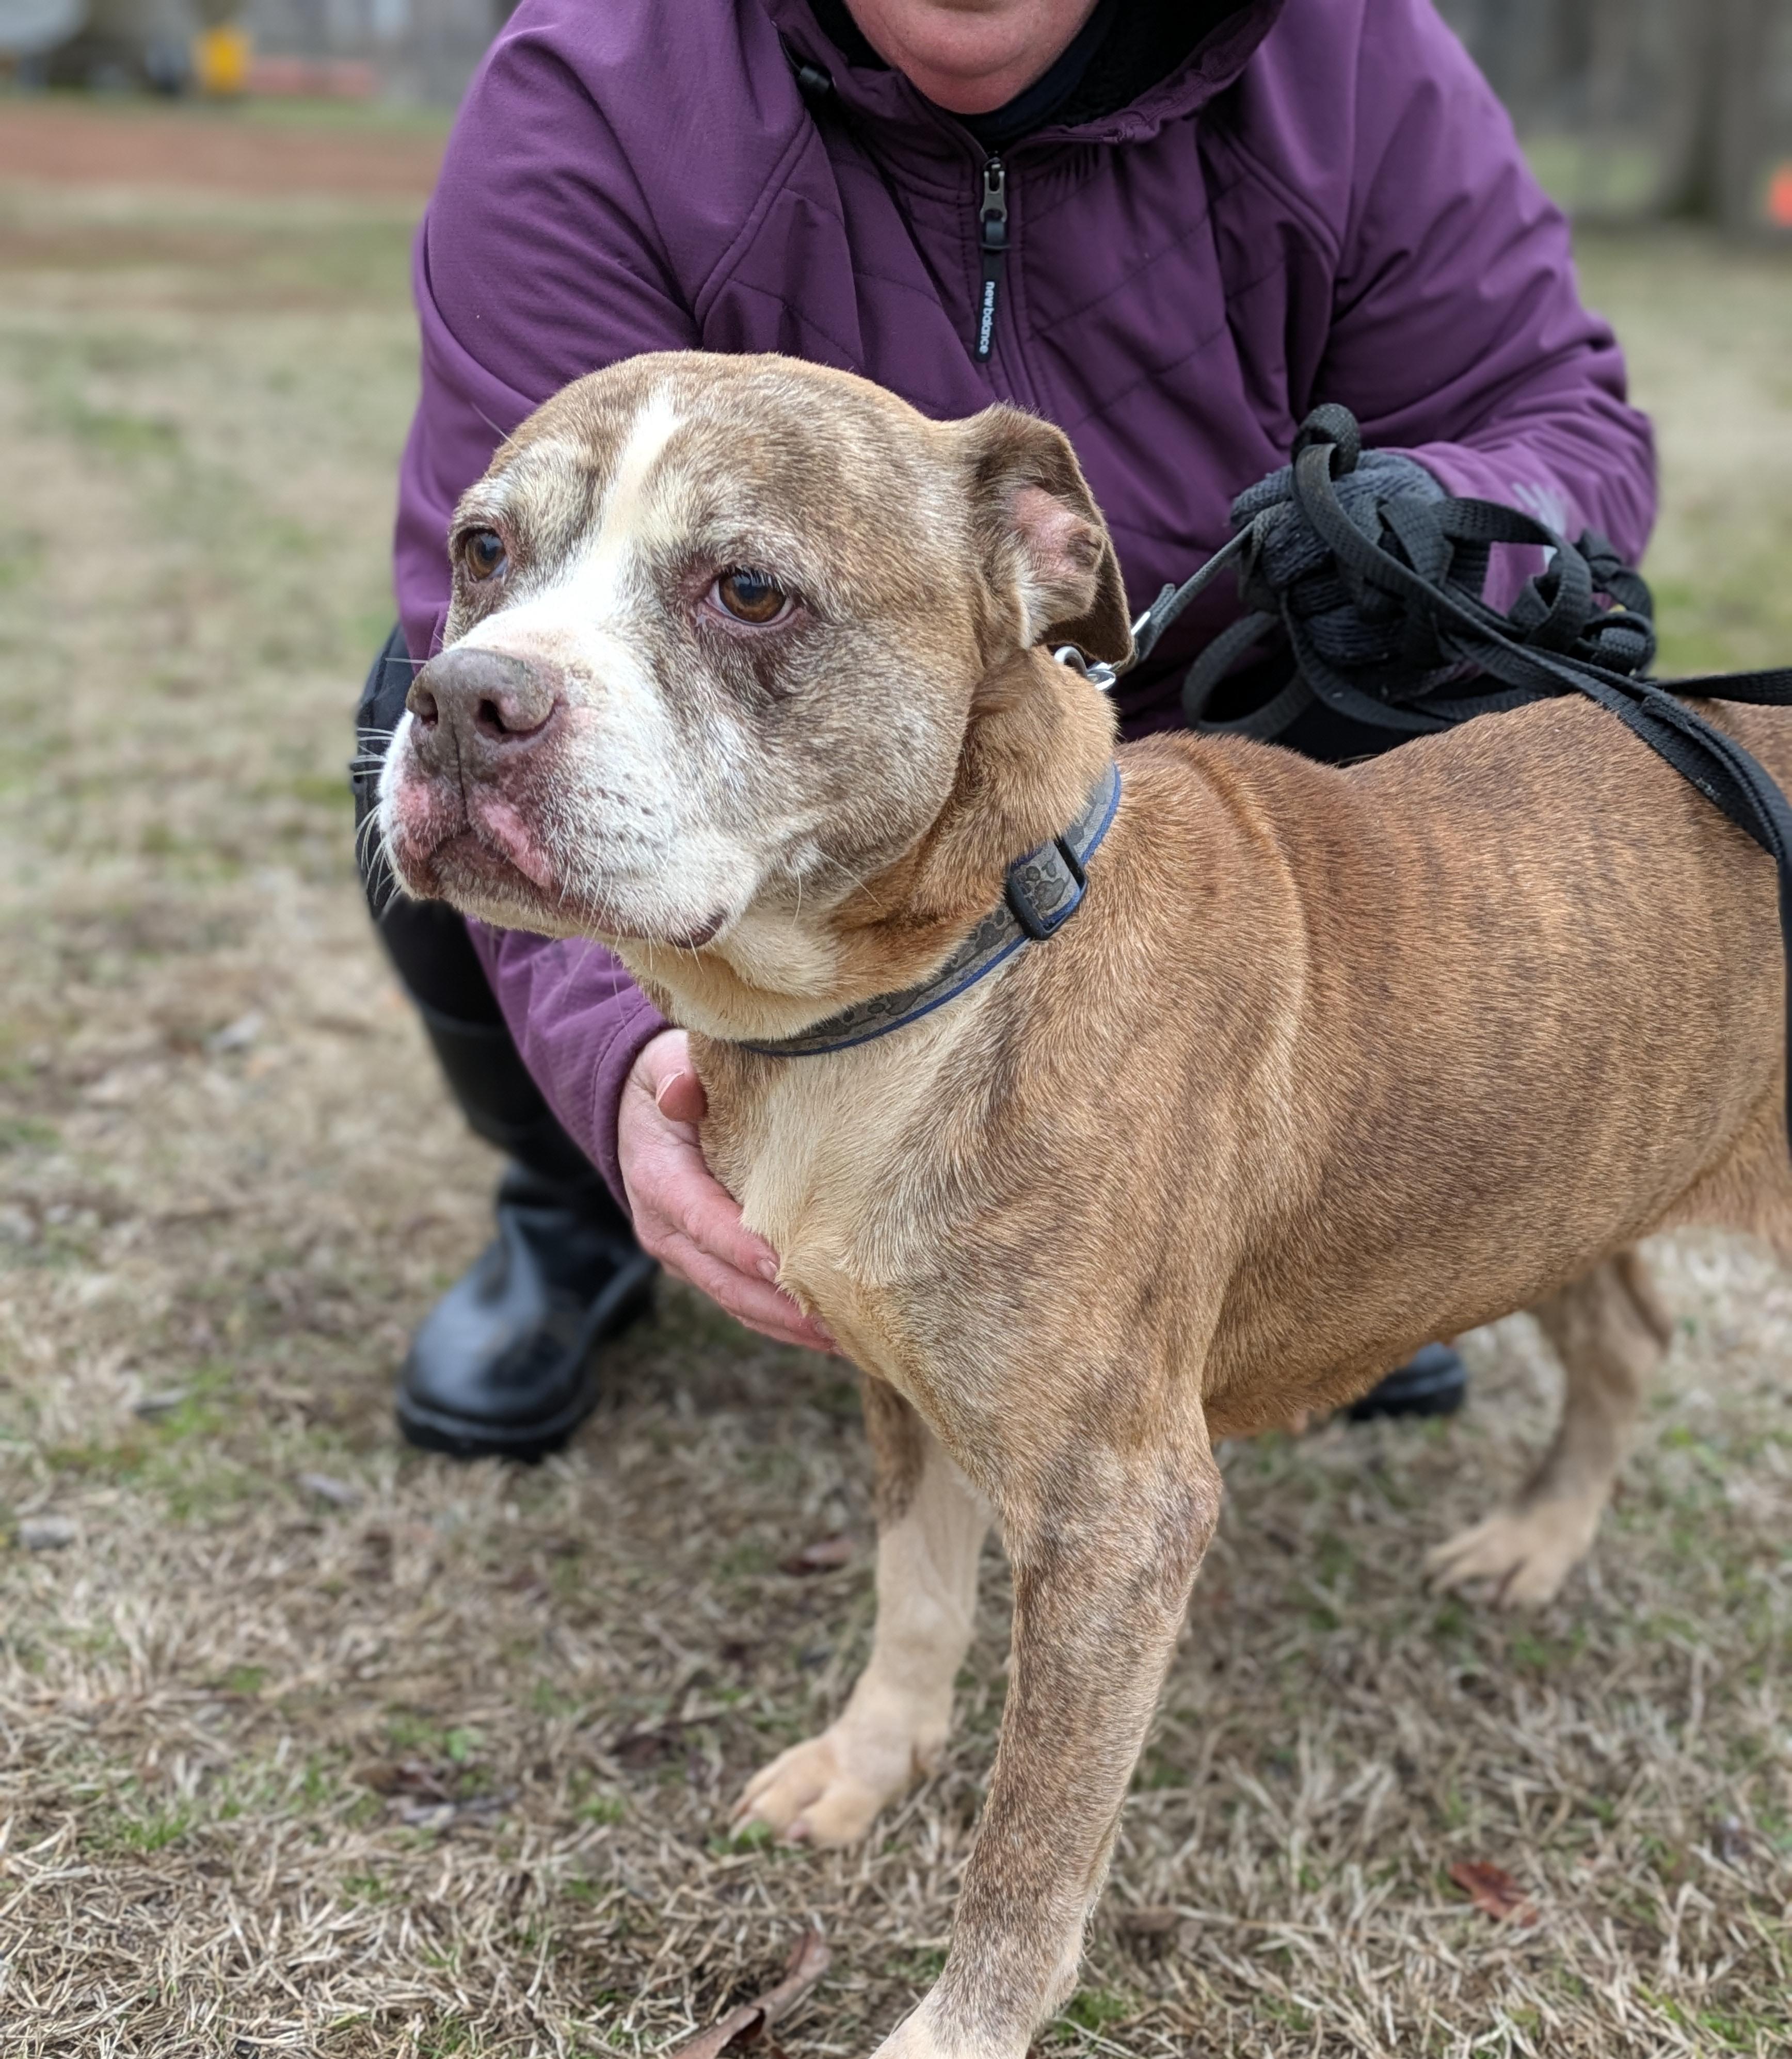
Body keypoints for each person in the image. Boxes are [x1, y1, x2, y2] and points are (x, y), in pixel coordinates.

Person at [353, 0, 1655, 1460]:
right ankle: (578, 1203)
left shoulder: (1346, 52)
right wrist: (610, 1083)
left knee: (1472, 688)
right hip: (786, 771)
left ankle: (1308, 1245)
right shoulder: (605, 73)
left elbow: (1567, 428)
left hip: (1254, 719)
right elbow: (488, 559)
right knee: (452, 714)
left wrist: (1440, 533)